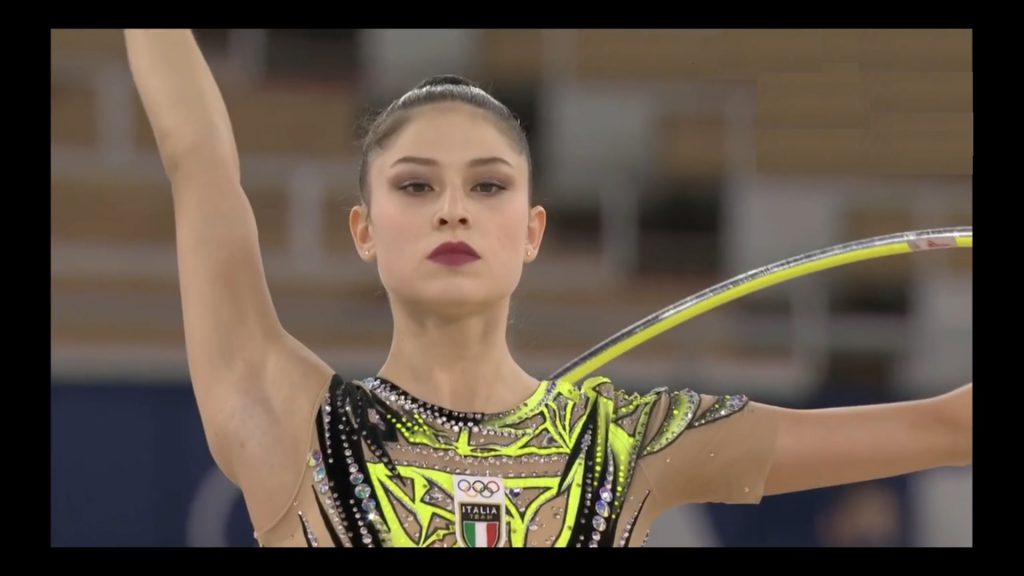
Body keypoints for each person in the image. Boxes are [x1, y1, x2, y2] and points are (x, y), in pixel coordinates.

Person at [124, 29, 973, 548]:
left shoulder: (633, 446)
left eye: (487, 185)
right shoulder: (287, 421)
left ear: (532, 232)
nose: (453, 208)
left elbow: (950, 426)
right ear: (364, 230)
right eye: (416, 185)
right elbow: (198, 160)